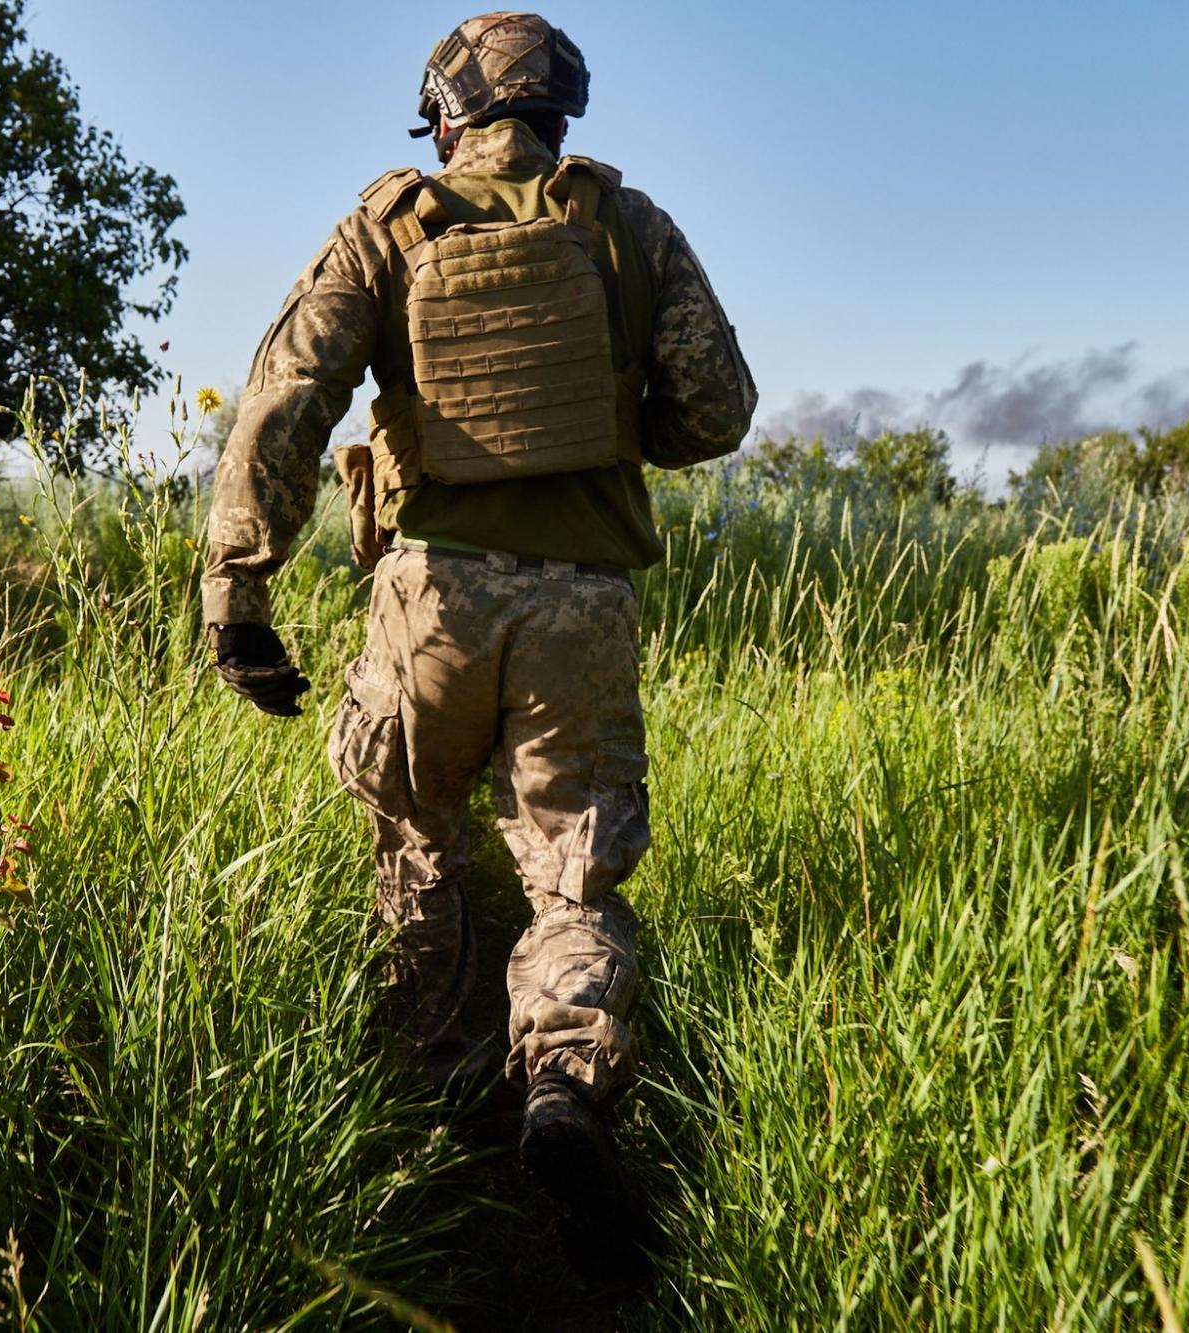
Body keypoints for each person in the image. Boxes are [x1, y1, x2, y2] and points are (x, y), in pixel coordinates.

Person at [201, 11, 755, 1281]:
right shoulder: (628, 225)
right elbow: (715, 409)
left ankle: (429, 1138)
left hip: (427, 599)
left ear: (444, 110)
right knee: (572, 879)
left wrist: (238, 585)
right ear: (561, 112)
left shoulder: (389, 224)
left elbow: (286, 399)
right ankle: (560, 1089)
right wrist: (614, 429)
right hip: (584, 601)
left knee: (417, 834)